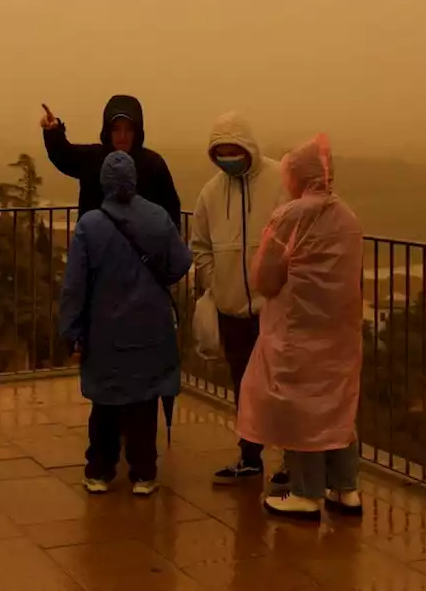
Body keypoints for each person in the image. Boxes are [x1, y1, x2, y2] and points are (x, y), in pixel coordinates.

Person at [237, 134, 365, 520]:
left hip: (295, 332)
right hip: (340, 331)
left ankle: (306, 493)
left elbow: (265, 277)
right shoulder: (348, 218)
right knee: (337, 407)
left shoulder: (290, 216)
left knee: (303, 410)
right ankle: (346, 490)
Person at [59, 151, 193, 496]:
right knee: (144, 400)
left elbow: (75, 284)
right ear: (133, 180)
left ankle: (100, 471)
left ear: (104, 182)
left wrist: (71, 331)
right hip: (150, 327)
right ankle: (144, 473)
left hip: (104, 330)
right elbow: (180, 264)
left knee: (105, 401)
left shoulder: (90, 225)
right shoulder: (158, 217)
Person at [190, 112, 291, 487]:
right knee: (244, 387)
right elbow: (200, 244)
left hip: (274, 310)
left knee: (282, 388)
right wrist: (215, 282)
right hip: (232, 310)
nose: (228, 158)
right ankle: (250, 457)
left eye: (234, 151)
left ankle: (291, 462)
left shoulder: (281, 179)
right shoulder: (211, 192)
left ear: (249, 147)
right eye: (221, 153)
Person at [41, 96, 182, 228]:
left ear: (137, 132)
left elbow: (171, 212)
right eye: (116, 129)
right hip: (97, 250)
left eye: (129, 129)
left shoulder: (154, 165)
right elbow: (64, 156)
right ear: (108, 131)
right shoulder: (92, 159)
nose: (123, 136)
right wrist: (53, 131)